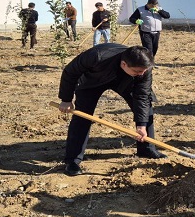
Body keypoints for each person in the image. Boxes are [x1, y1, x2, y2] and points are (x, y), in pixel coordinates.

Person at [57, 44, 166, 176]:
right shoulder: (96, 56)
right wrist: (66, 99)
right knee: (83, 116)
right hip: (93, 81)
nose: (141, 74)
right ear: (124, 64)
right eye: (138, 71)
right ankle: (72, 161)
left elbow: (142, 96)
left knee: (146, 108)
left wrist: (141, 125)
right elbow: (70, 72)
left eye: (143, 71)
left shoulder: (143, 68)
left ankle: (147, 149)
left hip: (126, 81)